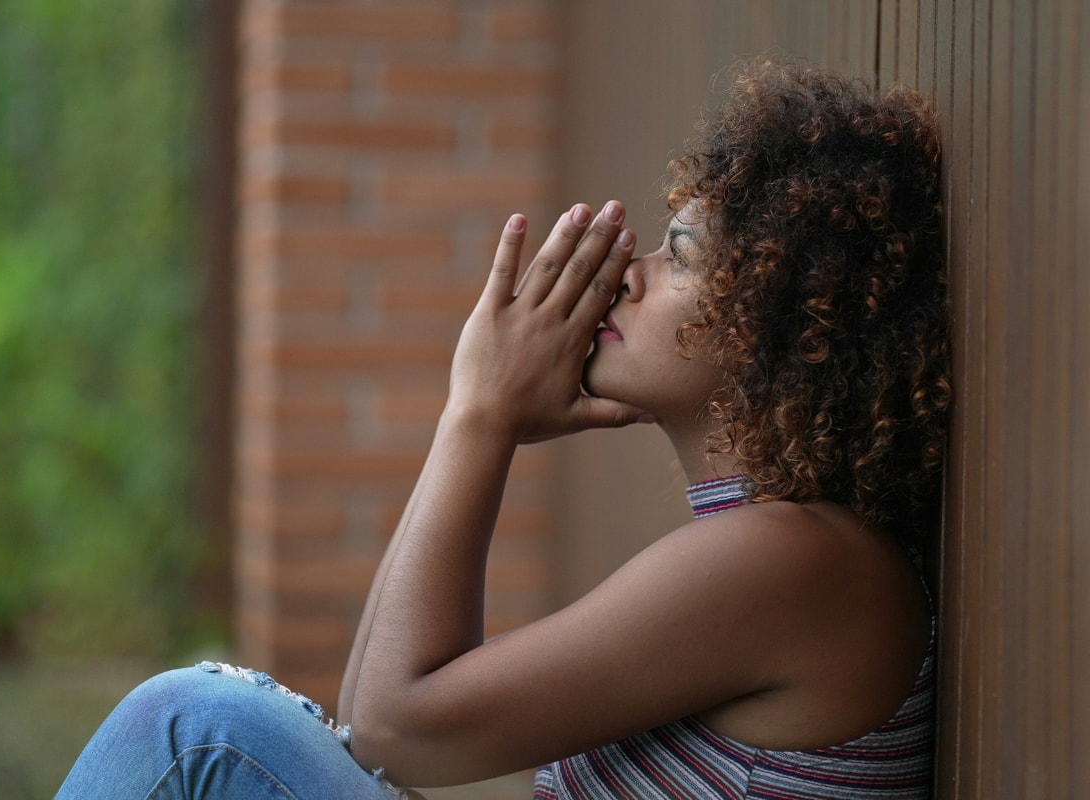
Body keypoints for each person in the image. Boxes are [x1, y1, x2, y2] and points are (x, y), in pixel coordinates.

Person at [56, 58, 949, 800]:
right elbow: (367, 726)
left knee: (192, 729)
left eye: (676, 253)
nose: (626, 279)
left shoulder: (798, 561)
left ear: (789, 320)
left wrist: (480, 416)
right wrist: (472, 415)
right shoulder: (788, 552)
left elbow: (396, 731)